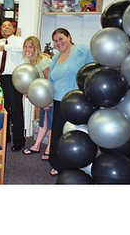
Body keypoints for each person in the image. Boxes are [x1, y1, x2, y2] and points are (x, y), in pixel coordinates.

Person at [48, 28, 94, 175]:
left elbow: (94, 69)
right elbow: (51, 80)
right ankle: (57, 163)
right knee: (58, 135)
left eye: (61, 38)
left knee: (73, 136)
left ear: (69, 37)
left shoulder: (82, 50)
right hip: (58, 101)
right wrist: (48, 99)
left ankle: (73, 166)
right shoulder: (55, 58)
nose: (58, 43)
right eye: (55, 41)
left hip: (76, 101)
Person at [0, 19, 25, 151]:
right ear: (1, 30)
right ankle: (5, 137)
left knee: (16, 109)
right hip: (2, 78)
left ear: (13, 29)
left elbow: (21, 50)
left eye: (9, 26)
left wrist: (5, 47)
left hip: (15, 78)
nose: (6, 28)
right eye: (4, 26)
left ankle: (19, 141)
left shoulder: (19, 41)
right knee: (3, 109)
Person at [21, 36, 53, 160]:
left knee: (50, 123)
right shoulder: (28, 62)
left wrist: (47, 100)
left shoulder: (43, 60)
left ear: (36, 48)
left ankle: (49, 149)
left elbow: (50, 80)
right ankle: (36, 145)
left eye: (30, 46)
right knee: (43, 121)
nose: (27, 49)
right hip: (41, 96)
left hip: (50, 95)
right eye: (25, 46)